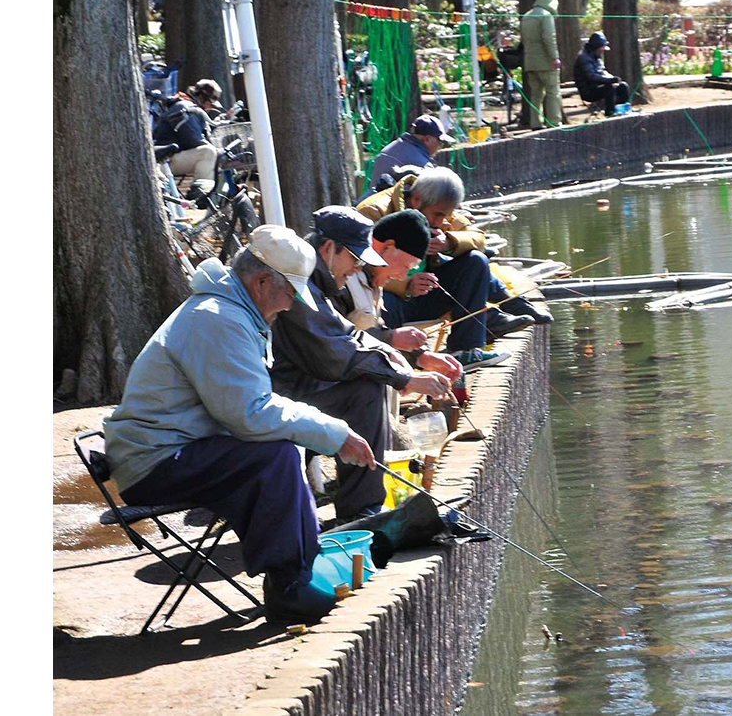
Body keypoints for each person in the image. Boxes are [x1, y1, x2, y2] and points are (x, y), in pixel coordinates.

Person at [103, 225, 375, 624]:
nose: (288, 307)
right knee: (276, 456)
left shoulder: (234, 311)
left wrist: (324, 431)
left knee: (281, 449)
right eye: (289, 294)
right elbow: (251, 415)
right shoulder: (218, 319)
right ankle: (289, 587)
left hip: (180, 449)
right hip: (155, 461)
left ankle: (302, 569)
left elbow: (247, 412)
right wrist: (335, 433)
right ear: (263, 281)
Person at [271, 207, 458, 521]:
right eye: (355, 258)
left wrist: (410, 360)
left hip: (291, 390)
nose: (358, 267)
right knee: (365, 391)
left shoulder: (318, 281)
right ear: (328, 248)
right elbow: (337, 351)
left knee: (366, 387)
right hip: (274, 399)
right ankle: (361, 511)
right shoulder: (302, 285)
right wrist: (405, 378)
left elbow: (350, 336)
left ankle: (363, 508)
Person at [358, 168, 550, 370]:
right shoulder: (372, 210)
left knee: (476, 261)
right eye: (438, 215)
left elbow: (477, 238)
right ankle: (394, 362)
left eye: (445, 216)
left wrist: (448, 243)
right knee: (385, 302)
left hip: (426, 293)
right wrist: (405, 284)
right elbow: (362, 267)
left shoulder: (437, 204)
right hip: (388, 295)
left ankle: (466, 350)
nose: (440, 222)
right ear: (415, 199)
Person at [151, 79, 227, 183]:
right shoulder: (186, 108)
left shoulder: (191, 109)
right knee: (208, 153)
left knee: (212, 153)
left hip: (174, 157)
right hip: (165, 161)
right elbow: (193, 140)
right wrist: (220, 153)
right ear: (201, 97)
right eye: (210, 103)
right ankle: (202, 193)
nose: (210, 108)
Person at [367, 115, 455, 191]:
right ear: (427, 139)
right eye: (440, 142)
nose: (439, 147)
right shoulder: (422, 165)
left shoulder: (389, 149)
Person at [520, 0, 563, 130]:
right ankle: (554, 122)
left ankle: (535, 123)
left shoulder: (526, 16)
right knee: (552, 92)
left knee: (535, 94)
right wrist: (555, 57)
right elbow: (548, 38)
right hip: (546, 62)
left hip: (530, 62)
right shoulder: (546, 16)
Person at [574, 32, 631, 118]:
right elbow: (591, 76)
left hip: (599, 86)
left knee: (623, 86)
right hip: (589, 91)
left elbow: (603, 71)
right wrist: (609, 81)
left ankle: (623, 110)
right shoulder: (583, 57)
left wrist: (613, 79)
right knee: (609, 88)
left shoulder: (596, 56)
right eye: (602, 48)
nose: (603, 51)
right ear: (596, 46)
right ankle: (610, 113)